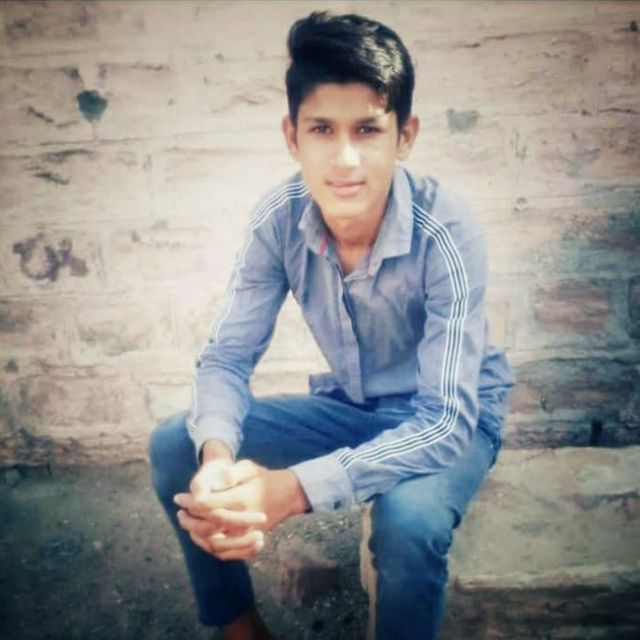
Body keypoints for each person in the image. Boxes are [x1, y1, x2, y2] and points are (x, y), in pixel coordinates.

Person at [149, 11, 515, 640]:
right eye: (322, 128)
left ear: (405, 136)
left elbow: (446, 420)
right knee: (175, 445)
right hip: (355, 407)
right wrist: (217, 462)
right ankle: (240, 630)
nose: (345, 159)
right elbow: (227, 358)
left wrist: (292, 490)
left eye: (368, 129)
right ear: (292, 137)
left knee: (408, 524)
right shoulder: (279, 217)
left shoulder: (447, 231)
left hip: (451, 419)